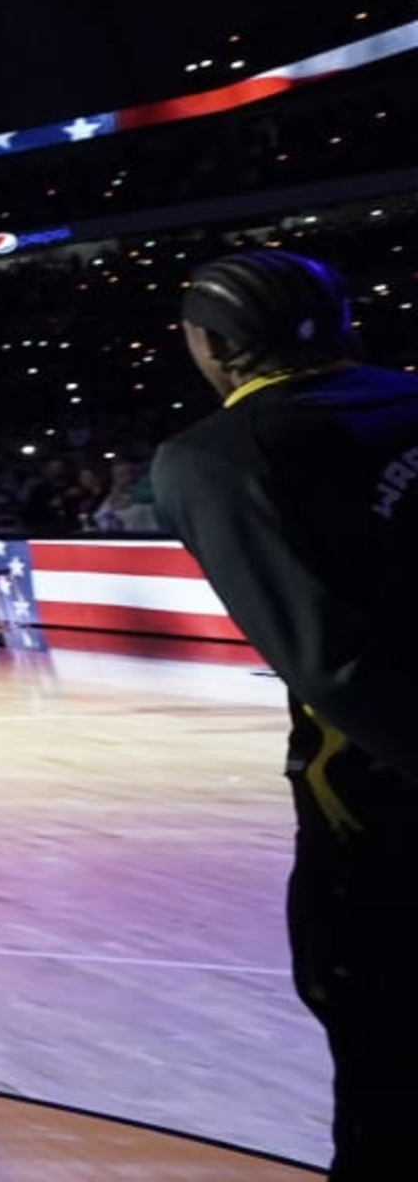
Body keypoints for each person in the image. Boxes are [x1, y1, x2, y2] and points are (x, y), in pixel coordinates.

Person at [151, 249, 418, 1181]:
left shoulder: (221, 456)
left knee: (383, 1060)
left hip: (383, 800)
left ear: (217, 344)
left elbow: (330, 660)